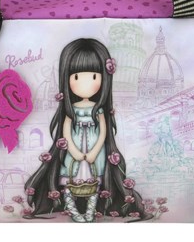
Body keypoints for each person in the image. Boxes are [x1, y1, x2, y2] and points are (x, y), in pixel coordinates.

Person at [24, 38, 151, 222]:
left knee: (94, 180)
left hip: (94, 152)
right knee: (70, 178)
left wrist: (94, 151)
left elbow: (103, 133)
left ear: (104, 78)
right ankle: (72, 208)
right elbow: (66, 132)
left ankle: (91, 209)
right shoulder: (71, 110)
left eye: (93, 77)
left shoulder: (98, 110)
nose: (85, 84)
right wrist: (74, 151)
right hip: (74, 150)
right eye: (76, 77)